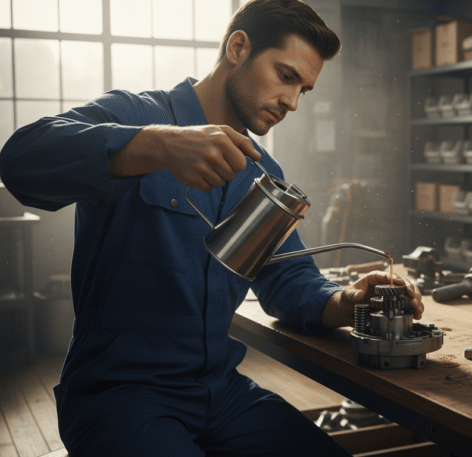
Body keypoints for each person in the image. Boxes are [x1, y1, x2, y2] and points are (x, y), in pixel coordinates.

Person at [0, 0, 423, 455]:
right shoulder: (135, 116)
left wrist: (346, 300)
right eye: (285, 76)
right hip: (119, 394)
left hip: (219, 392)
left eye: (305, 89)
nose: (293, 103)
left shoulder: (263, 173)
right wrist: (157, 146)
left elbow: (286, 278)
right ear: (238, 47)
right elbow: (20, 161)